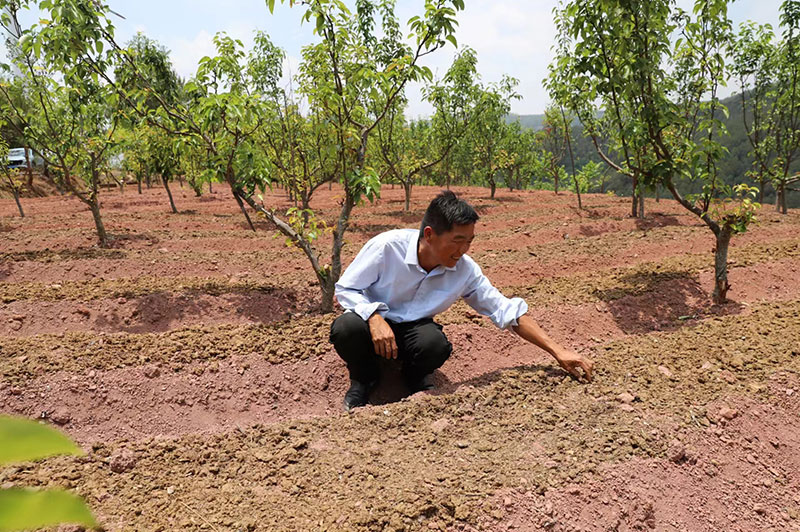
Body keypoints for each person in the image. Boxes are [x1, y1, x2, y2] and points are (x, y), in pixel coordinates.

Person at [329, 190, 594, 411]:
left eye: (469, 241)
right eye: (457, 241)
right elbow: (347, 289)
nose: (463, 250)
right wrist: (374, 317)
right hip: (373, 322)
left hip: (414, 329)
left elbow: (505, 310)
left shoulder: (464, 270)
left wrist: (557, 351)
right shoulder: (387, 247)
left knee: (434, 345)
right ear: (430, 234)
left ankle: (413, 375)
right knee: (346, 328)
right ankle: (364, 378)